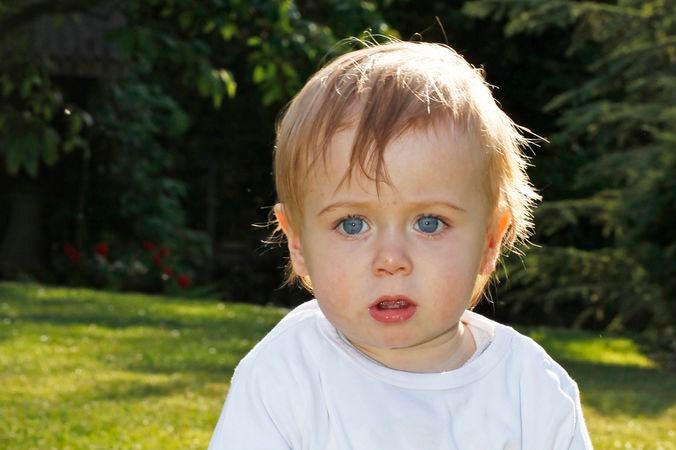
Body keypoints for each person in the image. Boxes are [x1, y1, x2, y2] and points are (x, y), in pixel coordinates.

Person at [208, 40, 593, 450]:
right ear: (298, 243)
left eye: (429, 223)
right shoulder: (288, 375)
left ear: (490, 239)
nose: (391, 260)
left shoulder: (530, 392)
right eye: (352, 224)